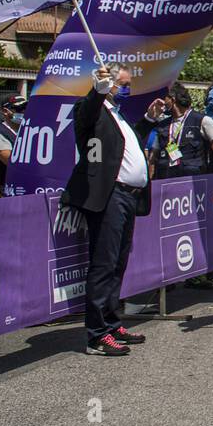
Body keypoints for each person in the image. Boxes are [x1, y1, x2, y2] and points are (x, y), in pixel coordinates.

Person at [61, 64, 156, 357]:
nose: (126, 89)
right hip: (108, 195)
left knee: (118, 263)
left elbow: (123, 148)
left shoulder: (117, 114)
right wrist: (96, 91)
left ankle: (112, 323)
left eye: (129, 85)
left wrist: (149, 122)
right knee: (104, 263)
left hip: (129, 196)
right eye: (122, 84)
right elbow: (86, 116)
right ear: (109, 83)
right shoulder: (91, 109)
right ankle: (97, 335)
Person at [148, 83, 213, 178]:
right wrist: (151, 184)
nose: (162, 102)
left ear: (172, 99)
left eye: (164, 98)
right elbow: (153, 158)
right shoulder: (162, 125)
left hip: (192, 182)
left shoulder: (201, 120)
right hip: (166, 181)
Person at [0, 95, 26, 191]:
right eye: (19, 108)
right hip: (6, 191)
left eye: (26, 108)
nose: (24, 111)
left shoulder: (28, 130)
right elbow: (13, 162)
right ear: (5, 111)